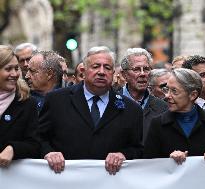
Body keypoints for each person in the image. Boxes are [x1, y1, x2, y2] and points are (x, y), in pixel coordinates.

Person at [39, 46, 143, 175]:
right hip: (65, 179)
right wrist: (48, 152)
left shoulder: (131, 109)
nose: (101, 72)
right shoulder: (56, 100)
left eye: (107, 67)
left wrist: (123, 155)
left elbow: (138, 149)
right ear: (83, 71)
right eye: (95, 66)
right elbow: (38, 137)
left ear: (113, 73)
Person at [144, 68, 205, 164]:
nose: (167, 95)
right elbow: (148, 164)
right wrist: (168, 160)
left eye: (174, 91)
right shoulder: (158, 124)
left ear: (193, 95)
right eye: (167, 89)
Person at [0, 45, 39, 167]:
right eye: (8, 69)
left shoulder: (27, 102)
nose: (14, 74)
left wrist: (13, 148)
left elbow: (35, 144)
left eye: (16, 68)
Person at [121, 48, 168, 143]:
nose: (142, 74)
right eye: (136, 69)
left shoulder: (163, 107)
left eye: (146, 69)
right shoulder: (110, 102)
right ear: (124, 74)